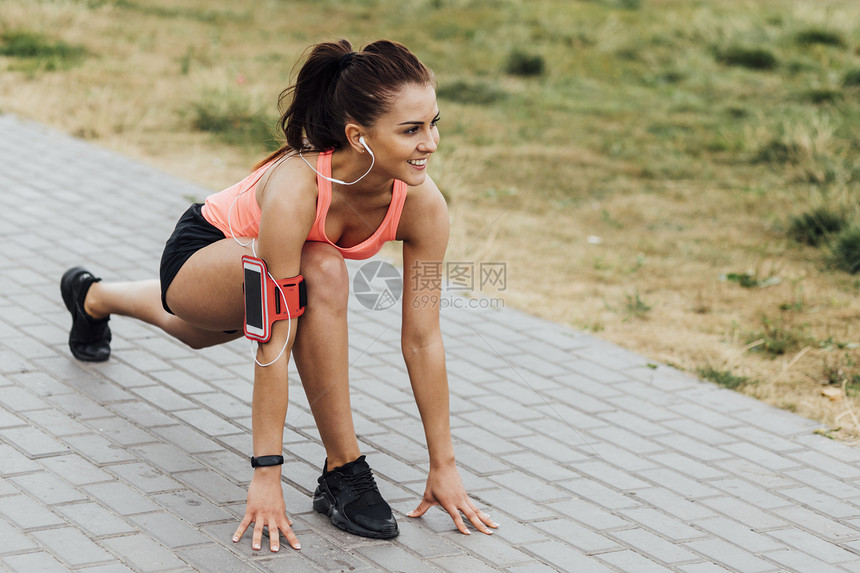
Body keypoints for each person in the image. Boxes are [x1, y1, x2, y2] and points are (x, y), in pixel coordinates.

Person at [60, 38, 498, 552]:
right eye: (411, 130)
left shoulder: (424, 206)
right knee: (321, 267)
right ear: (359, 136)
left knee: (196, 335)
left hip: (242, 278)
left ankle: (91, 297)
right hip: (202, 252)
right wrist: (266, 472)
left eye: (433, 123)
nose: (431, 142)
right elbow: (272, 337)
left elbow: (423, 340)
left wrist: (443, 465)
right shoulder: (299, 189)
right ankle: (345, 472)